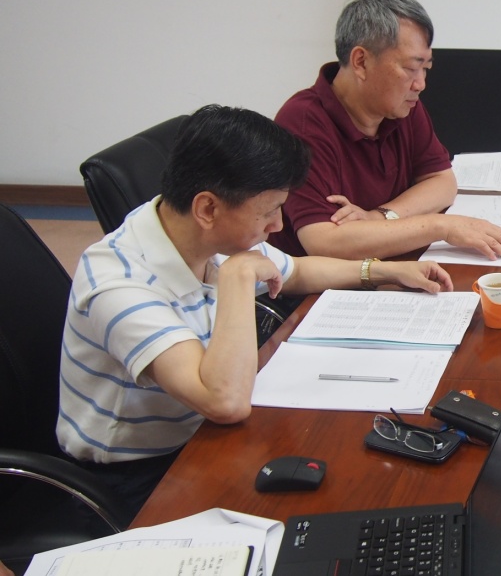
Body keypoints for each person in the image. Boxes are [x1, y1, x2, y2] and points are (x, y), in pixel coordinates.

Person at [57, 105, 455, 522]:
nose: (277, 225)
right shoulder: (119, 285)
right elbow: (224, 402)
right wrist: (237, 277)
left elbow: (296, 270)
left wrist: (382, 271)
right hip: (140, 474)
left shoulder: (194, 229)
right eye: (267, 212)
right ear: (207, 209)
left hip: (207, 431)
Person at [271, 0, 501, 261]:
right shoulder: (303, 123)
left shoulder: (401, 106)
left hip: (394, 267)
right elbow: (324, 242)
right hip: (323, 283)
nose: (420, 84)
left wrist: (381, 217)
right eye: (411, 68)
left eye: (425, 68)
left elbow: (442, 181)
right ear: (361, 62)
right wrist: (441, 226)